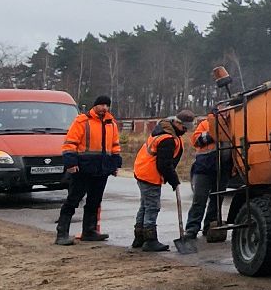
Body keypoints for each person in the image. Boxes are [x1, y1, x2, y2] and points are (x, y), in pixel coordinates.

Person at [55, 95, 121, 246]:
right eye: (102, 105)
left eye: (107, 105)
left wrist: (115, 166)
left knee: (95, 201)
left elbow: (115, 147)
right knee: (73, 200)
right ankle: (62, 232)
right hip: (83, 169)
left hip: (102, 170)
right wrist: (71, 164)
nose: (104, 108)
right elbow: (70, 143)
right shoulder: (82, 121)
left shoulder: (112, 124)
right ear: (95, 105)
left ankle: (89, 231)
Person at [132, 110, 190, 252]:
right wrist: (173, 180)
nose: (186, 131)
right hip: (149, 174)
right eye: (185, 127)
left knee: (145, 205)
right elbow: (163, 164)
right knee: (152, 207)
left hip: (142, 171)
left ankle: (139, 237)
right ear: (177, 123)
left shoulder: (164, 131)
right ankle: (150, 240)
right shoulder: (167, 139)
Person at [182, 111, 218, 241]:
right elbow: (196, 140)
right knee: (199, 199)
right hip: (204, 167)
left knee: (217, 200)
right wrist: (213, 135)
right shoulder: (205, 124)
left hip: (222, 167)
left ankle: (210, 227)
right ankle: (192, 229)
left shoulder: (232, 125)